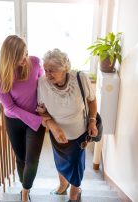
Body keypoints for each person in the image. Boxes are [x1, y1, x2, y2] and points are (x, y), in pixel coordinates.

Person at [37, 49, 98, 202]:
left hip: (79, 133)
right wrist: (54, 128)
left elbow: (92, 100)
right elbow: (41, 110)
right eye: (45, 70)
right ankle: (62, 186)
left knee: (76, 164)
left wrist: (92, 121)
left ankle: (74, 192)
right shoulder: (42, 83)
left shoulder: (80, 78)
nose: (47, 74)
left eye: (52, 70)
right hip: (56, 133)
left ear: (64, 69)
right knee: (61, 161)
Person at [0, 35, 48, 202]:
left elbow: (44, 87)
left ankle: (25, 191)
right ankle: (25, 184)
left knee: (32, 160)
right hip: (14, 121)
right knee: (21, 158)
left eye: (26, 53)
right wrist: (37, 120)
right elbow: (10, 107)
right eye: (20, 56)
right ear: (10, 57)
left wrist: (44, 108)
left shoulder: (36, 62)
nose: (25, 59)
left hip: (37, 119)